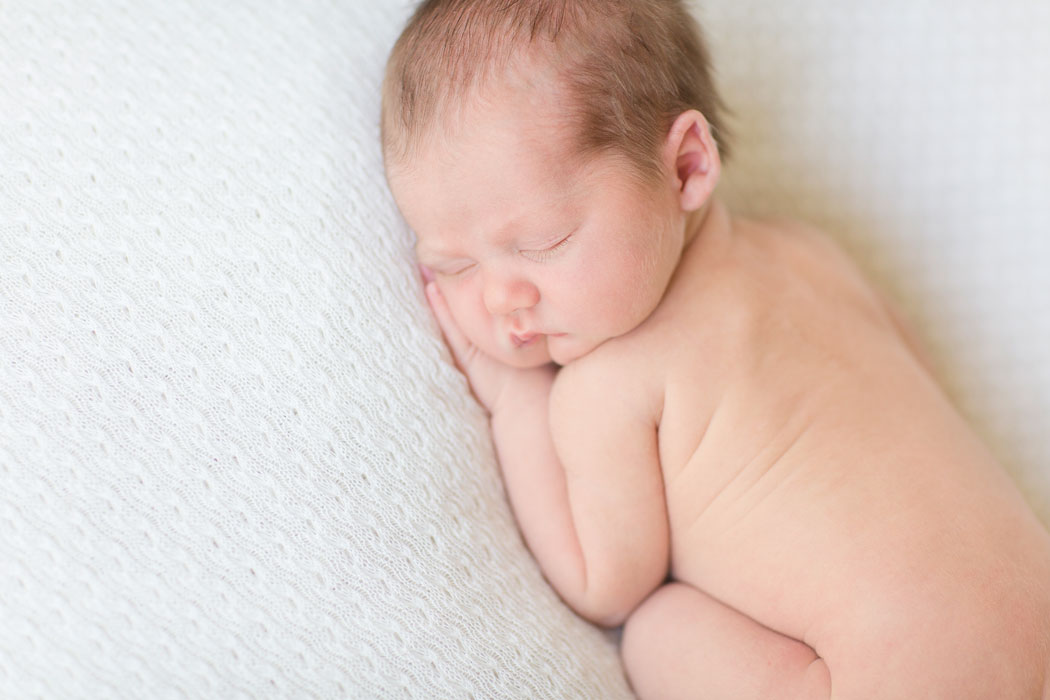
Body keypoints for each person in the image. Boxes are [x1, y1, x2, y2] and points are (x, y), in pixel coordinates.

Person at [381, 1, 1050, 697]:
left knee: (652, 627)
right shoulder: (807, 251)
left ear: (687, 167)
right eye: (453, 266)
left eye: (542, 244)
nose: (499, 299)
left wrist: (513, 399)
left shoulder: (605, 388)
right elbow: (921, 373)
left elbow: (600, 583)